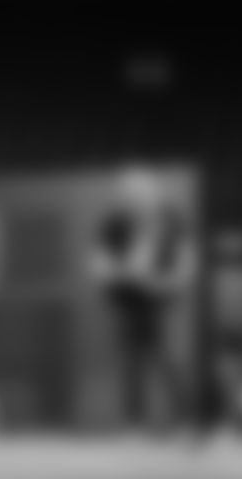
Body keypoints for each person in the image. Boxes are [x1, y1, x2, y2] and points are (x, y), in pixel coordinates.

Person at [91, 167, 195, 435]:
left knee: (166, 358)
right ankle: (134, 424)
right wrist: (123, 271)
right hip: (126, 300)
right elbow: (99, 265)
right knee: (131, 361)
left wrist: (166, 282)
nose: (136, 199)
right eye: (130, 194)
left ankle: (184, 421)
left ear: (154, 193)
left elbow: (186, 262)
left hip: (160, 300)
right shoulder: (113, 223)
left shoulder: (172, 219)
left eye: (142, 193)